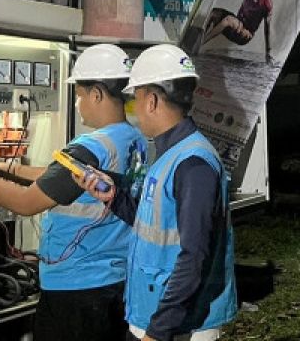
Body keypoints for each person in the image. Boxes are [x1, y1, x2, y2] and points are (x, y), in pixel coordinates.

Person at [0, 43, 147, 341]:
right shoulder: (134, 139)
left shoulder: (90, 148)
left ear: (96, 94)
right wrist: (6, 168)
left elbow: (26, 202)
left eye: (80, 96)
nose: (78, 104)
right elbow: (56, 176)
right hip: (117, 280)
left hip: (75, 287)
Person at [79, 44, 237, 341]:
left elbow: (194, 256)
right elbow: (152, 224)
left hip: (179, 327)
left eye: (135, 101)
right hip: (155, 317)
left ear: (151, 100)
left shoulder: (193, 165)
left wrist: (159, 331)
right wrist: (112, 197)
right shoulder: (171, 154)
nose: (135, 111)